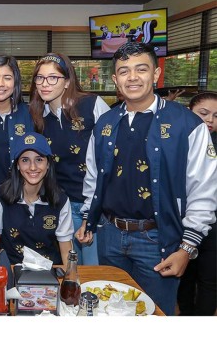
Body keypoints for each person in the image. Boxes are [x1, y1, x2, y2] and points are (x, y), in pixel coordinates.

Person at [76, 42, 217, 316]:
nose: (132, 77)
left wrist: (187, 248)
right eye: (124, 71)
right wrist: (88, 218)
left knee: (153, 316)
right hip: (110, 236)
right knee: (109, 312)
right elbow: (94, 178)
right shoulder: (104, 123)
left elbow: (204, 190)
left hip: (158, 240)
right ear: (115, 80)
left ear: (155, 74)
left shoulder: (187, 124)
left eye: (141, 69)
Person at [29, 53, 110, 265]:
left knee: (94, 272)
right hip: (61, 206)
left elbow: (111, 156)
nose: (45, 84)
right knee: (71, 271)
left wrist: (91, 213)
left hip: (93, 206)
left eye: (53, 78)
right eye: (40, 78)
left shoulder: (91, 105)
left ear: (67, 81)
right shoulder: (38, 116)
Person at [0, 132, 73, 269]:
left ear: (48, 164)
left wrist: (69, 280)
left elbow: (66, 250)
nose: (33, 167)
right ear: (17, 165)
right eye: (25, 160)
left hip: (49, 272)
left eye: (39, 159)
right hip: (11, 270)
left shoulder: (61, 200)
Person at [177, 92, 217, 316]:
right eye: (203, 113)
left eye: (216, 115)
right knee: (184, 275)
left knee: (209, 278)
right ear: (189, 113)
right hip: (183, 219)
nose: (210, 120)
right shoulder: (179, 142)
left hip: (212, 225)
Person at [0, 55, 35, 199]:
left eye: (7, 78)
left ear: (15, 82)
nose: (0, 83)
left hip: (20, 198)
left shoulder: (29, 114)